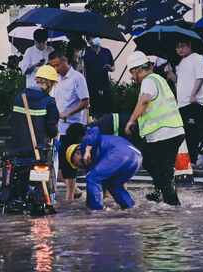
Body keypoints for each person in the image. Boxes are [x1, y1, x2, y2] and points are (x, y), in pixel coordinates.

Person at [124, 51, 185, 206]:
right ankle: (160, 192)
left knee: (163, 170)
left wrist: (131, 120)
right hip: (169, 132)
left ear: (138, 70)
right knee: (151, 162)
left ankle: (172, 205)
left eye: (132, 72)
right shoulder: (158, 79)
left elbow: (144, 101)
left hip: (164, 133)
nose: (132, 77)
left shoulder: (149, 80)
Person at [66, 126, 142, 210]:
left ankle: (96, 212)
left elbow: (95, 129)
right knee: (113, 185)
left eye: (75, 163)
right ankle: (130, 207)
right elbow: (93, 190)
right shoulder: (95, 161)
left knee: (92, 178)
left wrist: (87, 149)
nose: (79, 166)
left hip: (120, 153)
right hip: (136, 157)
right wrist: (88, 203)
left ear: (77, 152)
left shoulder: (84, 146)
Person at [48, 50, 90, 201]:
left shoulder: (77, 78)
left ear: (65, 61)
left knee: (69, 163)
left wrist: (68, 113)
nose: (56, 69)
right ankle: (75, 190)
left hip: (73, 127)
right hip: (58, 127)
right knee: (58, 164)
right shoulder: (56, 79)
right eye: (53, 66)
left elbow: (85, 101)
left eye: (58, 65)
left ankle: (70, 196)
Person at [164, 40, 203, 165]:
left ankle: (202, 151)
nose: (180, 50)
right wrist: (171, 73)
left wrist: (193, 94)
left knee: (193, 130)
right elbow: (178, 82)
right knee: (187, 132)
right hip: (182, 103)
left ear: (189, 45)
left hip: (193, 102)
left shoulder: (197, 58)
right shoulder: (181, 62)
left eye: (182, 46)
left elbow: (201, 77)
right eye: (177, 48)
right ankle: (192, 159)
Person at [9, 65, 59, 155]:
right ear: (50, 83)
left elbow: (12, 121)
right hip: (38, 152)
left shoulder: (19, 97)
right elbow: (51, 130)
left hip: (16, 150)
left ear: (36, 80)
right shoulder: (49, 102)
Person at [83, 36, 115, 118]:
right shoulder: (86, 52)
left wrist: (109, 68)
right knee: (93, 111)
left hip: (104, 85)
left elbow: (113, 68)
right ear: (88, 41)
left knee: (106, 109)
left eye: (95, 37)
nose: (93, 40)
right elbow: (82, 68)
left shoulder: (106, 51)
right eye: (91, 38)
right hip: (91, 86)